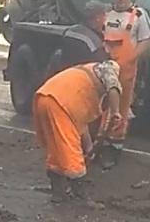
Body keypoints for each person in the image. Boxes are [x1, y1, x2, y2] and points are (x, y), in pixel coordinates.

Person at [32, 60, 122, 203]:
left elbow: (81, 125)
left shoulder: (81, 86)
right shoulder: (107, 68)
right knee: (71, 150)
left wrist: (89, 148)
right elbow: (113, 87)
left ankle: (58, 192)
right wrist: (116, 112)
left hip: (44, 98)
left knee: (57, 149)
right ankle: (80, 195)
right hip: (59, 103)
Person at [102, 0, 150, 164]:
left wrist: (129, 59)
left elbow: (146, 41)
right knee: (102, 105)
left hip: (126, 69)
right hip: (105, 67)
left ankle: (115, 147)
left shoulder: (138, 15)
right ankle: (99, 142)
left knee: (122, 107)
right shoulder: (106, 14)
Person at [57, 0, 110, 71]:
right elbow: (104, 68)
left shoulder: (69, 31)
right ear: (98, 18)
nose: (106, 18)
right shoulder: (93, 42)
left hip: (66, 74)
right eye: (104, 15)